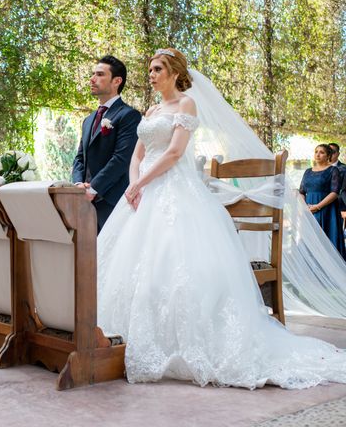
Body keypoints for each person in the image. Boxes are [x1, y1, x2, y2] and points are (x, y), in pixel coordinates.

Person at [97, 47, 346, 389]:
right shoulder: (152, 108)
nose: (151, 74)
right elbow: (139, 153)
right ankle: (114, 339)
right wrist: (134, 182)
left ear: (172, 72)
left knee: (175, 263)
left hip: (172, 188)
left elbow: (173, 153)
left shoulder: (186, 105)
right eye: (151, 69)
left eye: (157, 69)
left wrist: (140, 182)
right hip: (142, 192)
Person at [72, 55, 142, 232]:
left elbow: (122, 159)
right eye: (93, 73)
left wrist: (94, 189)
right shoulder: (88, 120)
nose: (92, 79)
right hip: (84, 202)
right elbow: (80, 158)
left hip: (112, 202)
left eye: (100, 74)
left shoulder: (129, 116)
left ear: (116, 81)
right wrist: (78, 186)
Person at [299, 144, 346, 258]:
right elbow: (301, 191)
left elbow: (335, 192)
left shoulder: (333, 170)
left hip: (327, 210)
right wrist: (305, 206)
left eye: (322, 152)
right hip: (309, 210)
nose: (318, 154)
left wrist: (318, 206)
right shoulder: (307, 171)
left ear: (328, 155)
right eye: (316, 152)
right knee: (311, 239)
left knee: (328, 239)